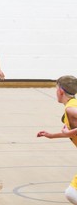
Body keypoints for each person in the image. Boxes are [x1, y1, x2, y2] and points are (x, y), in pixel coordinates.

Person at [37, 75, 77, 204]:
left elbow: (72, 132)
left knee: (71, 193)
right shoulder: (71, 105)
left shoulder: (70, 108)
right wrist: (52, 135)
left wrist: (69, 131)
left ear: (60, 91)